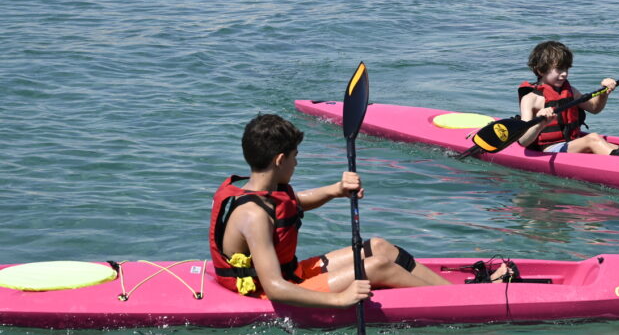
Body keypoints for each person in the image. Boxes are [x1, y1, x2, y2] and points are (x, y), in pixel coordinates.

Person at [208, 114, 498, 309]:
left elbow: (295, 203)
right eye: (295, 157)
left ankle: (457, 295)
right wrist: (340, 299)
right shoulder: (254, 216)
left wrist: (336, 190)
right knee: (377, 266)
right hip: (266, 292)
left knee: (379, 247)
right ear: (280, 159)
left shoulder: (263, 191)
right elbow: (274, 288)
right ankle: (461, 305)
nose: (297, 163)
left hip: (291, 274)